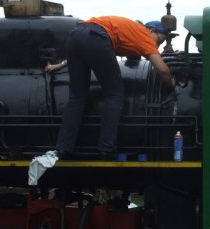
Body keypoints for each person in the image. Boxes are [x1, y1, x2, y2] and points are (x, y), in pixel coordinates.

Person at [46, 16, 175, 158]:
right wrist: (171, 84)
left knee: (76, 98)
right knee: (114, 95)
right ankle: (106, 149)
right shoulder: (144, 35)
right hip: (98, 37)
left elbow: (85, 42)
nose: (157, 47)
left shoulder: (130, 31)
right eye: (160, 40)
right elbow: (163, 70)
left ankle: (63, 148)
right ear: (151, 30)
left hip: (76, 35)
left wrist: (60, 65)